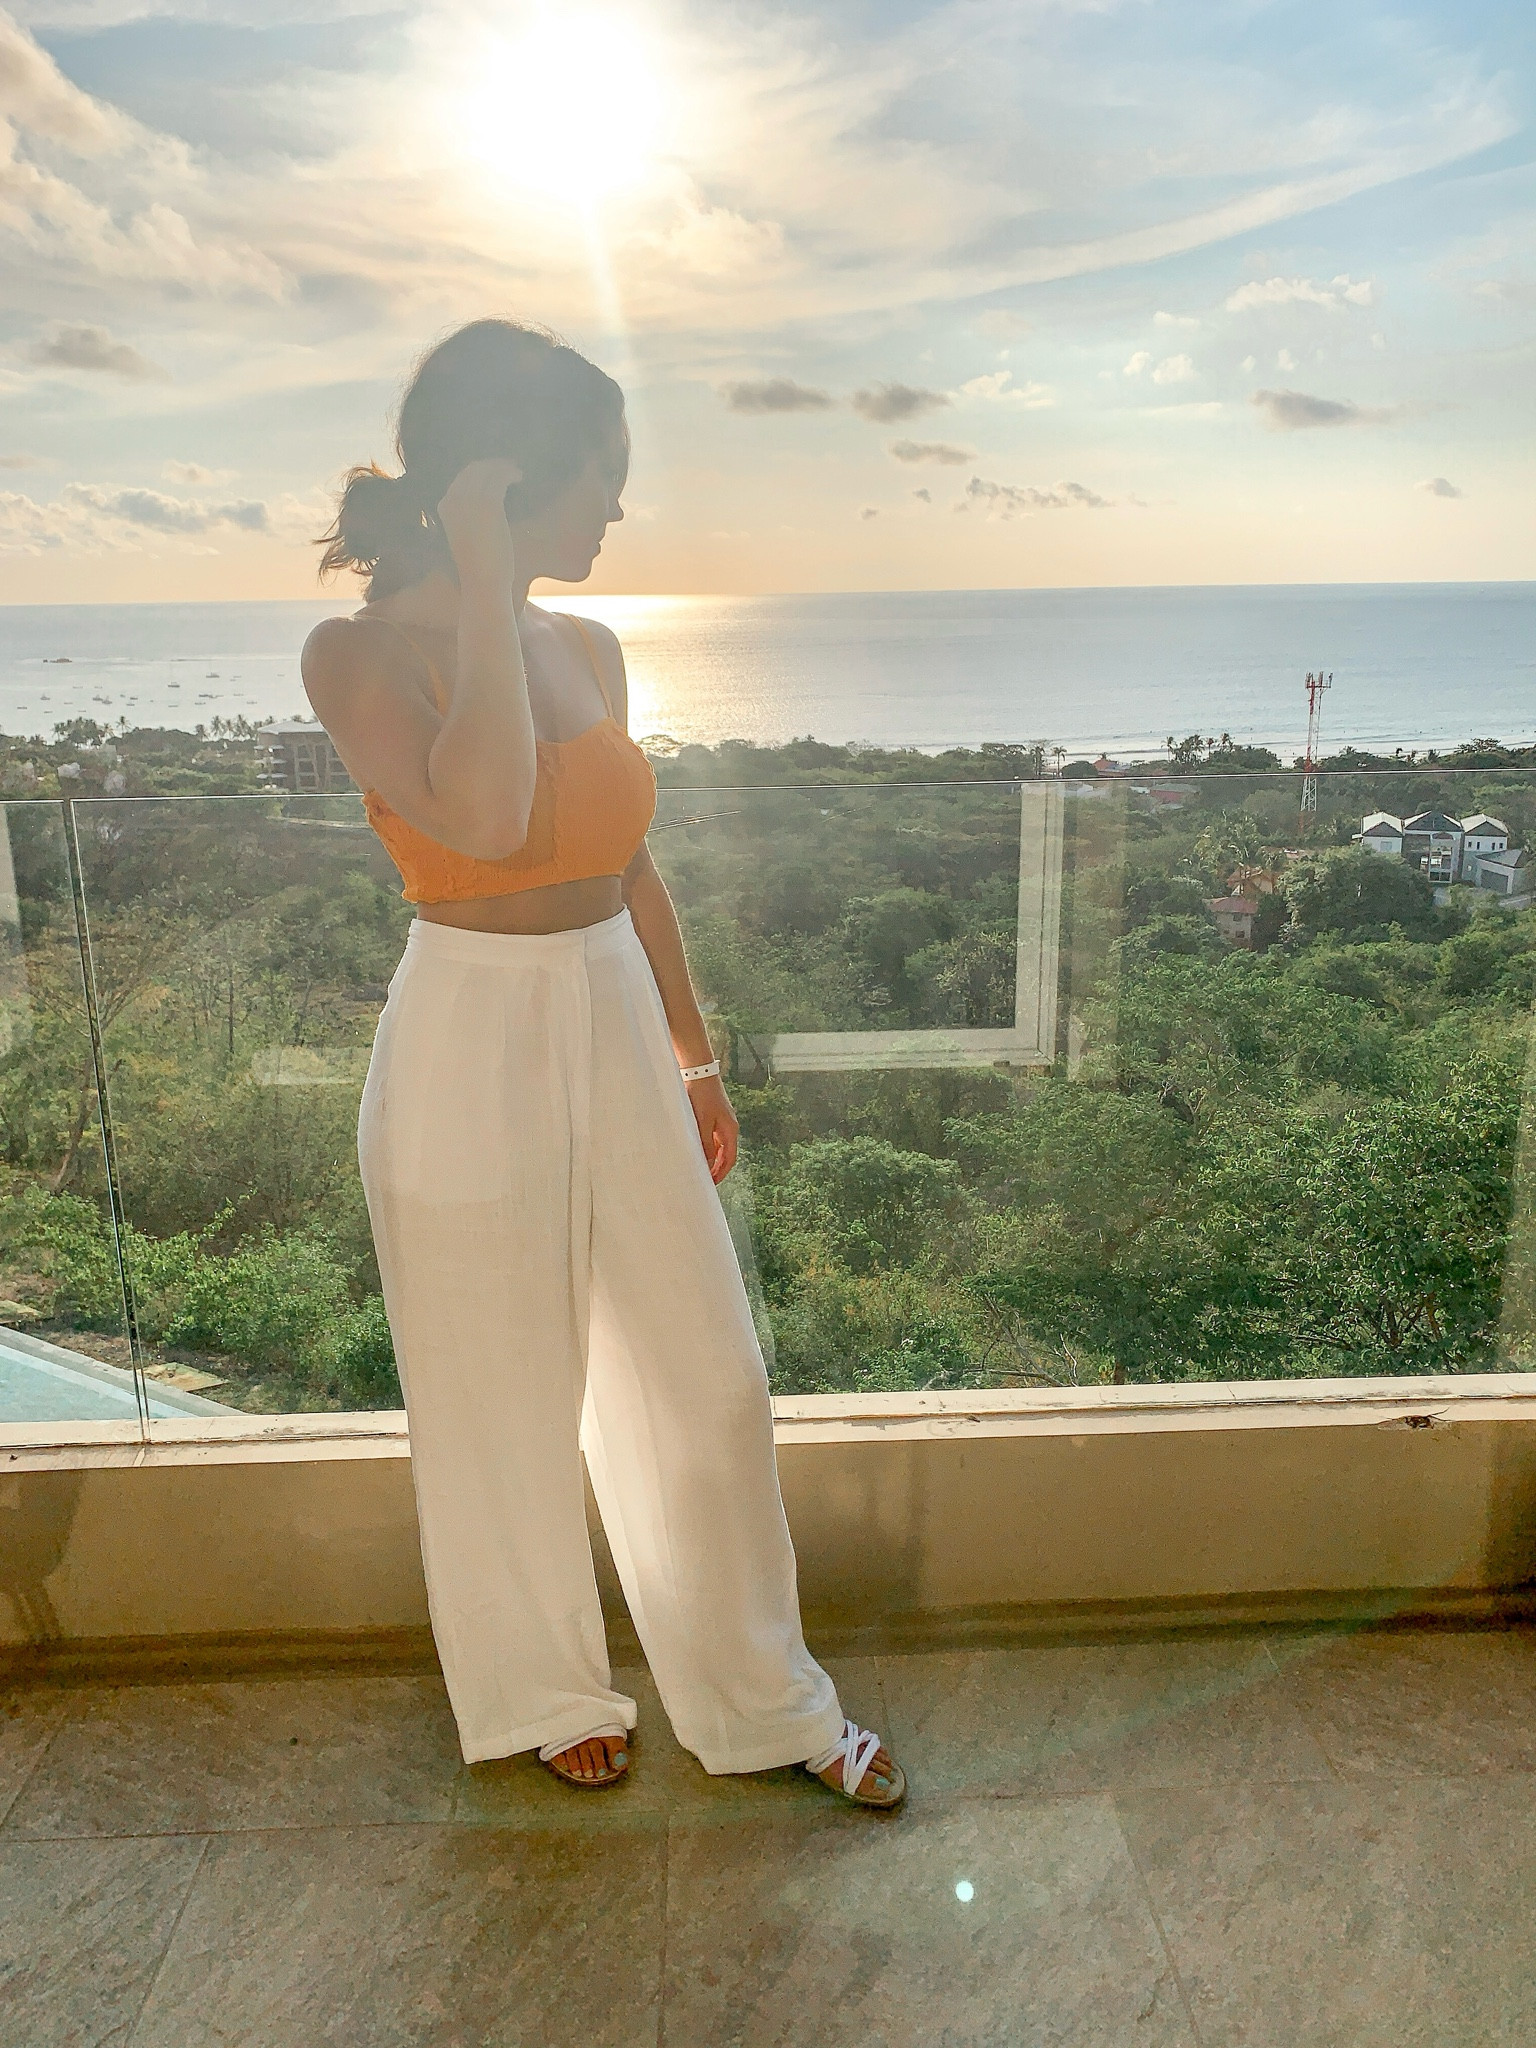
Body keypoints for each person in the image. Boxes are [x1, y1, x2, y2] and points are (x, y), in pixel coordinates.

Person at [302, 319, 904, 1807]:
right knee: (496, 1396)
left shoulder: (592, 648)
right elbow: (487, 819)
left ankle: (763, 1698)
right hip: (467, 1027)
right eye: (602, 478)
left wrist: (695, 1057)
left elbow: (627, 865)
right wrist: (482, 585)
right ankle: (542, 1688)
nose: (620, 509)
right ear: (506, 480)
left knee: (708, 1378)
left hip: (616, 1008)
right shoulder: (358, 655)